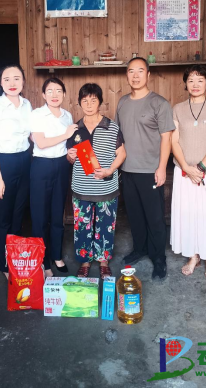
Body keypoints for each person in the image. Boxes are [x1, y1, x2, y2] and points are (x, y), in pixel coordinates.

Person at [115, 57, 175, 280]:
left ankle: (159, 258)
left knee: (155, 217)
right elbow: (118, 136)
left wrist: (161, 168)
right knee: (135, 215)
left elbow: (166, 138)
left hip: (150, 170)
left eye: (140, 71)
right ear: (127, 75)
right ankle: (140, 249)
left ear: (148, 75)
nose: (136, 75)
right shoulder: (122, 102)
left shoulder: (159, 103)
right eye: (131, 71)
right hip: (127, 170)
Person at [170, 65, 206, 280]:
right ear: (185, 83)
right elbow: (174, 140)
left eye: (200, 80)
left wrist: (200, 167)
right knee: (188, 214)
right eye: (191, 80)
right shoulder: (178, 108)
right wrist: (186, 167)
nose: (195, 84)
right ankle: (193, 255)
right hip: (184, 172)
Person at [66, 83, 126, 279]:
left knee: (106, 226)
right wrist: (70, 157)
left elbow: (122, 154)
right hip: (81, 188)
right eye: (85, 101)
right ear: (79, 103)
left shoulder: (111, 126)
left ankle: (103, 261)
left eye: (93, 100)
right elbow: (70, 158)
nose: (89, 104)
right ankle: (84, 261)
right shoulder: (75, 129)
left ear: (100, 102)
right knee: (82, 227)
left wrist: (110, 170)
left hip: (106, 188)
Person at [0, 64, 32, 279]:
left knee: (18, 215)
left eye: (17, 78)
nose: (12, 83)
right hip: (2, 164)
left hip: (24, 161)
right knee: (3, 217)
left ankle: (15, 257)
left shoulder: (27, 104)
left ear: (23, 81)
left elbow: (31, 136)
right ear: (0, 83)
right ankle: (5, 266)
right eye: (7, 79)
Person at [29, 77, 78, 277]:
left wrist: (71, 153)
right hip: (41, 166)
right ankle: (43, 261)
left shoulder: (67, 115)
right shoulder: (37, 114)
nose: (54, 95)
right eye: (50, 91)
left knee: (58, 214)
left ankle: (57, 255)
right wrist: (65, 135)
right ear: (43, 95)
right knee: (40, 216)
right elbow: (40, 142)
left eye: (58, 91)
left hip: (62, 165)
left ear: (64, 94)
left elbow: (69, 144)